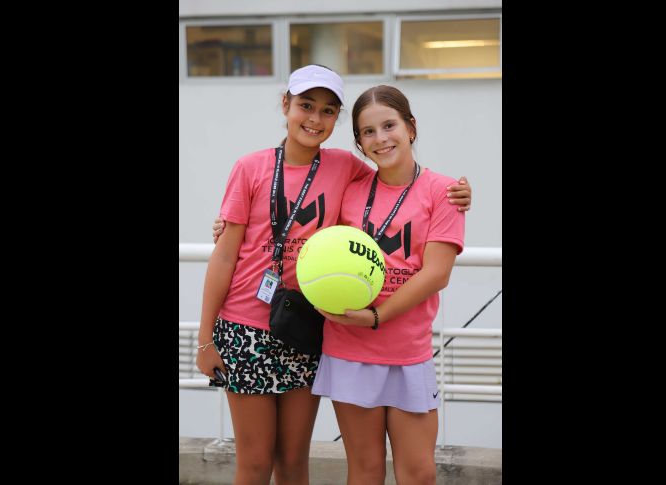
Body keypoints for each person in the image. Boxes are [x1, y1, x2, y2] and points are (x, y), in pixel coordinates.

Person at [196, 65, 470, 485]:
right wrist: (205, 338)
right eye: (305, 105)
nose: (314, 118)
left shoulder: (349, 169)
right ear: (285, 105)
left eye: (327, 111)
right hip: (250, 329)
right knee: (254, 463)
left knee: (295, 460)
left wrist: (460, 191)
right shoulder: (255, 168)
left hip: (306, 330)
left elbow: (402, 184)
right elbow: (225, 254)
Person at [311, 85, 466, 485]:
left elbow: (437, 273)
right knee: (364, 471)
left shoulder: (444, 191)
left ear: (411, 127)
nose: (381, 139)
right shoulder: (352, 188)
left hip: (407, 352)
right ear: (359, 143)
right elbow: (310, 238)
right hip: (347, 346)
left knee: (418, 472)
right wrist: (225, 226)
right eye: (368, 132)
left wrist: (377, 316)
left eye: (389, 125)